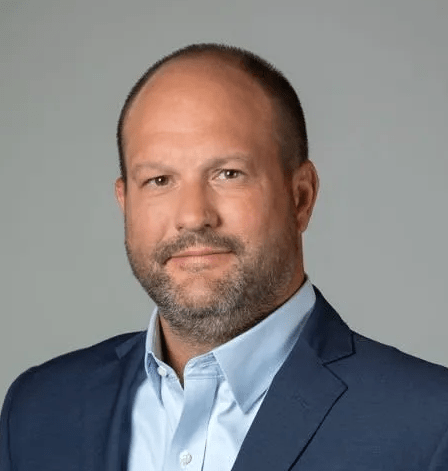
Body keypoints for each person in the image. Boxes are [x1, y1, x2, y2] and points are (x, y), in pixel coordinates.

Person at [1, 43, 448, 471]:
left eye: (228, 174)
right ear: (125, 202)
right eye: (159, 180)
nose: (193, 216)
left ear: (300, 197)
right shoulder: (39, 410)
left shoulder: (429, 425)